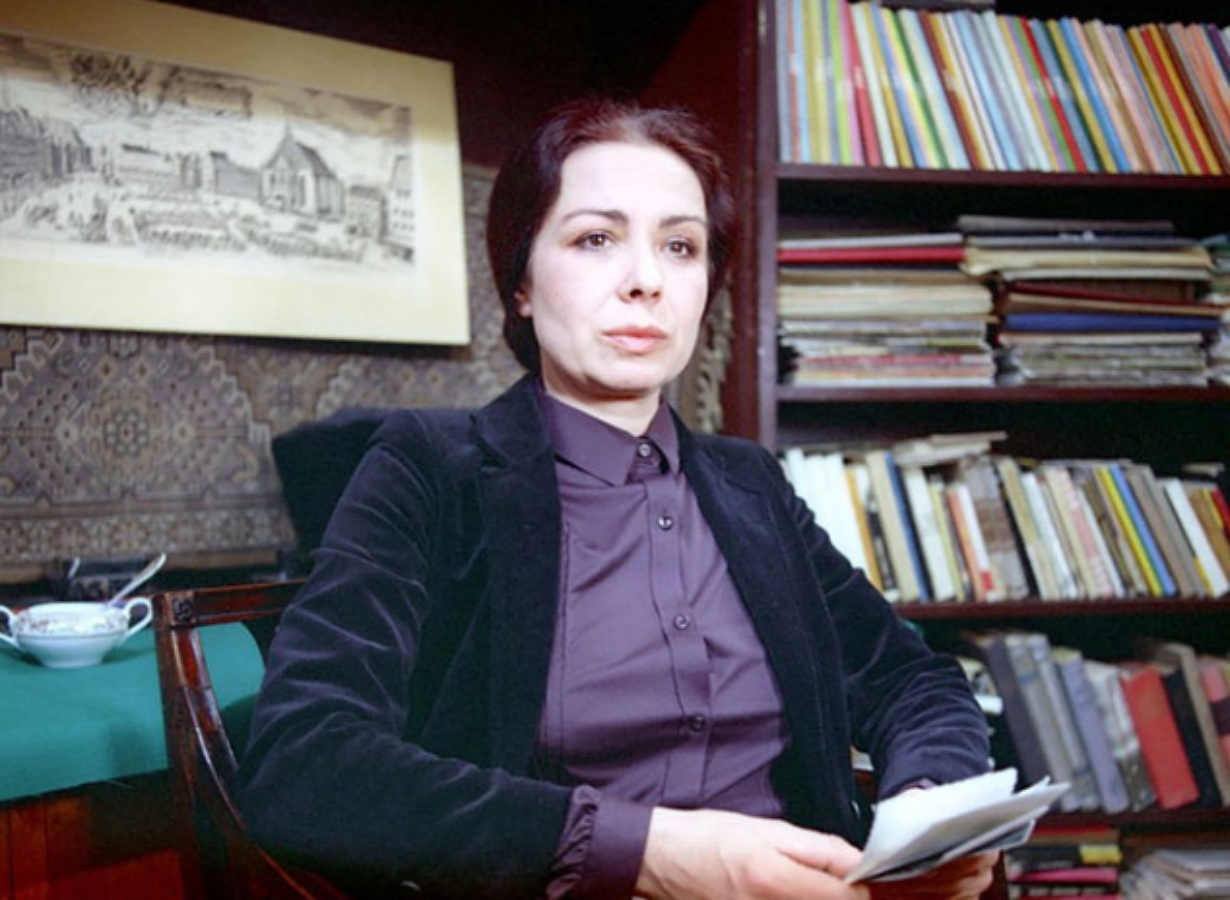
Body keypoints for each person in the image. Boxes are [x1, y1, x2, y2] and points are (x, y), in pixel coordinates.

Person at [238, 97, 997, 900]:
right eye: (596, 239)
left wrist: (927, 812)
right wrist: (646, 851)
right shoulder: (429, 467)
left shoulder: (750, 483)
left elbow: (912, 682)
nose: (646, 281)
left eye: (680, 246)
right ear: (521, 283)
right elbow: (304, 762)